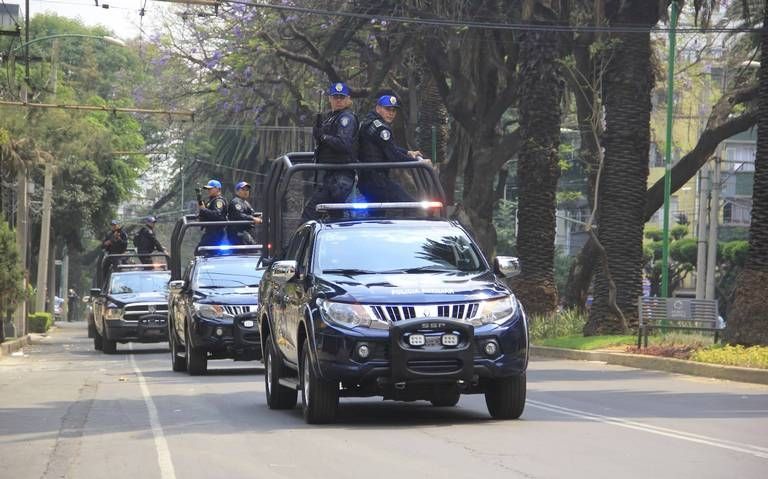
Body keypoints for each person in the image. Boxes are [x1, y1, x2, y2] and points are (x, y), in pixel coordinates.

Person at [301, 81, 359, 221]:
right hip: (332, 175)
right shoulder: (332, 117)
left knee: (311, 212)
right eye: (335, 97)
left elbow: (343, 144)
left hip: (341, 176)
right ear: (330, 99)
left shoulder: (346, 118)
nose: (338, 100)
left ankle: (296, 243)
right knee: (336, 218)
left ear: (348, 99)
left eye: (342, 97)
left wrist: (323, 136)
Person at [358, 94, 431, 203]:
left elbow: (386, 146)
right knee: (410, 204)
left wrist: (407, 152)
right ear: (378, 109)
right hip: (376, 180)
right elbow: (393, 155)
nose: (391, 113)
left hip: (368, 178)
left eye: (394, 110)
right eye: (387, 109)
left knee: (378, 214)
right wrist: (418, 163)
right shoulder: (381, 129)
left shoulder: (370, 122)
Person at [197, 179, 228, 252]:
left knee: (202, 251)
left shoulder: (218, 201)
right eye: (208, 189)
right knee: (200, 252)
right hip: (210, 232)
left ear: (217, 189)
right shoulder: (211, 200)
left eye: (210, 188)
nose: (208, 190)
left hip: (216, 233)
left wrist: (204, 209)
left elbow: (217, 214)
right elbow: (205, 213)